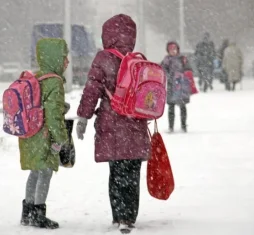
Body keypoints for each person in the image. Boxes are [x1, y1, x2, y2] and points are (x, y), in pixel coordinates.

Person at [75, 14, 150, 233]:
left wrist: (83, 117)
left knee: (116, 172)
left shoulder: (103, 58)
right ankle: (129, 218)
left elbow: (92, 90)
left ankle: (118, 216)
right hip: (135, 124)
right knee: (132, 173)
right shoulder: (139, 60)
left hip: (111, 126)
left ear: (107, 34)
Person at [19, 38, 70, 229]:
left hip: (30, 133)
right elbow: (54, 116)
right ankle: (39, 214)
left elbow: (40, 104)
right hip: (45, 135)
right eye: (65, 57)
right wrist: (62, 139)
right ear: (55, 58)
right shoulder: (55, 82)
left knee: (35, 171)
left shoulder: (36, 77)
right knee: (46, 172)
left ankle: (27, 212)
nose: (67, 62)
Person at [161, 41, 194, 132]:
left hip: (181, 86)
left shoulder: (182, 59)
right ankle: (171, 127)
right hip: (172, 86)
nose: (173, 51)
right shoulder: (166, 60)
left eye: (174, 49)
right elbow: (162, 70)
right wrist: (170, 76)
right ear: (168, 50)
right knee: (171, 107)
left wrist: (183, 75)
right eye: (171, 49)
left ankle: (184, 126)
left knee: (182, 106)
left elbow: (189, 69)